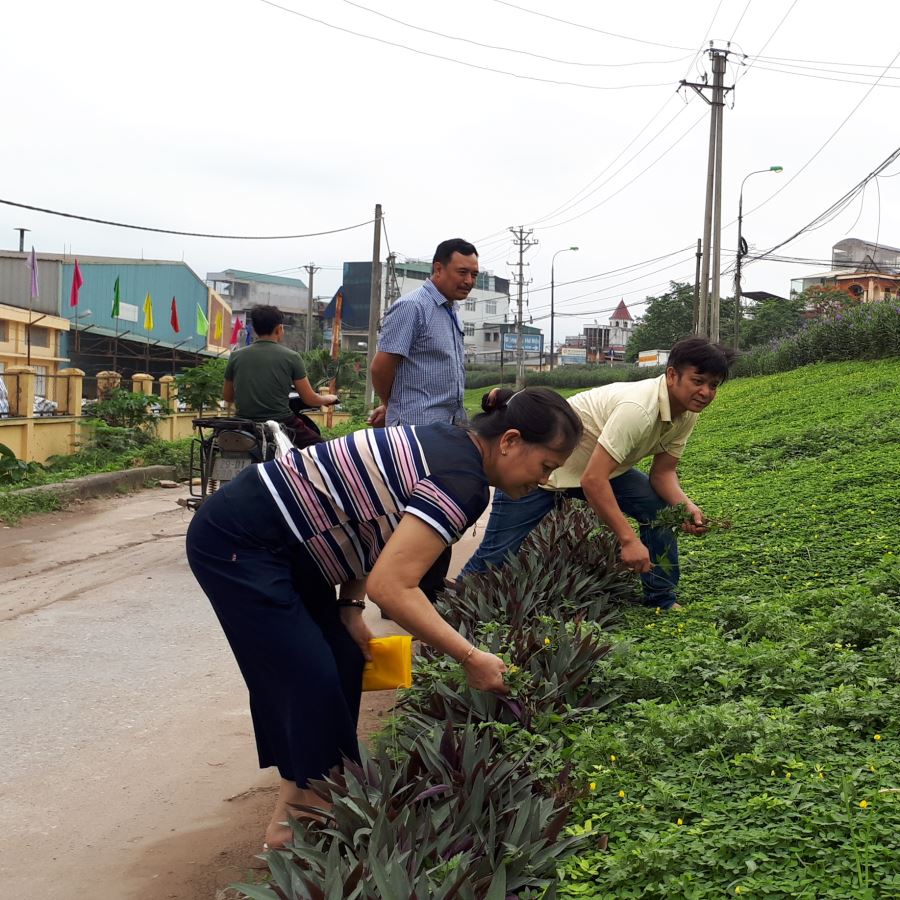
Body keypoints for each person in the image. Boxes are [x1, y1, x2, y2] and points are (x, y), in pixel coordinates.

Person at [185, 387, 581, 851]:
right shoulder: (462, 480)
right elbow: (393, 589)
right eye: (546, 467)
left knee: (343, 662)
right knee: (307, 675)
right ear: (510, 441)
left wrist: (350, 609)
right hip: (240, 541)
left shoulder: (452, 447)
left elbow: (371, 519)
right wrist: (470, 657)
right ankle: (306, 817)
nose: (546, 481)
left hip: (292, 550)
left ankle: (298, 811)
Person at [461, 337, 733, 609]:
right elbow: (593, 480)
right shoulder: (638, 409)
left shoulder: (686, 414)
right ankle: (451, 604)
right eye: (698, 381)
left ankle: (661, 599)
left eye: (713, 385)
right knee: (496, 553)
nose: (706, 392)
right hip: (547, 472)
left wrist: (685, 507)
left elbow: (663, 473)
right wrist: (628, 540)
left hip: (601, 469)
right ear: (672, 375)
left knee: (660, 513)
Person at [368, 238, 477, 601]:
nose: (469, 280)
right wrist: (392, 404)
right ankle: (403, 596)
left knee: (441, 509)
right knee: (416, 516)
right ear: (438, 269)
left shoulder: (448, 311)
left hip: (445, 430)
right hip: (417, 433)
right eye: (462, 272)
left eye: (474, 274)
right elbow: (382, 366)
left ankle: (426, 590)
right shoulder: (412, 307)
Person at [222, 305, 338, 448]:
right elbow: (309, 399)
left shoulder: (235, 356)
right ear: (279, 329)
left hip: (243, 423)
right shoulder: (292, 357)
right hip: (281, 422)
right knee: (323, 450)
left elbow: (227, 396)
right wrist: (328, 398)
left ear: (254, 328)